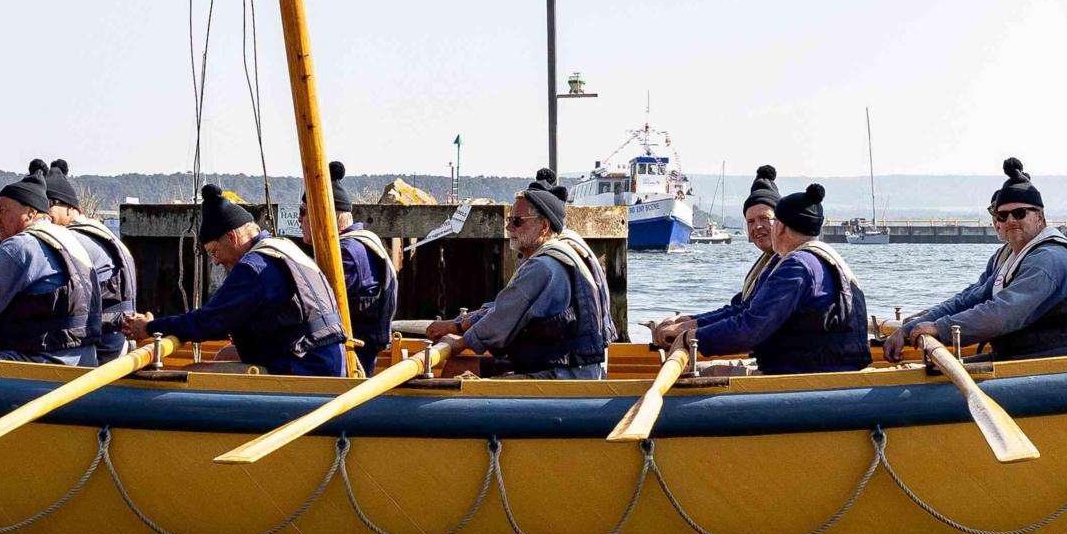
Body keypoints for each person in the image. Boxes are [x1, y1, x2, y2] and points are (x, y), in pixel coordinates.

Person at [653, 177, 870, 374]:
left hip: (806, 374)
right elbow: (745, 309)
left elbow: (749, 327)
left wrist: (689, 337)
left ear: (781, 227)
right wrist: (690, 324)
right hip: (817, 366)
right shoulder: (813, 258)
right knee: (699, 371)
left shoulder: (797, 266)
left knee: (693, 377)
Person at [122, 188, 348, 377]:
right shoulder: (283, 249)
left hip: (306, 369)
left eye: (214, 251)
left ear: (232, 237)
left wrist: (150, 328)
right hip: (327, 360)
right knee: (225, 355)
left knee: (192, 374)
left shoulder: (255, 268)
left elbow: (209, 321)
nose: (216, 261)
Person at [895, 160, 1067, 363]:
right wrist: (912, 327)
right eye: (1003, 216)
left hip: (1062, 362)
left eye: (1019, 213)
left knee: (935, 386)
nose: (1011, 220)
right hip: (1024, 356)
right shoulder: (1016, 258)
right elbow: (971, 298)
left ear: (1040, 216)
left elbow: (1004, 313)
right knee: (930, 376)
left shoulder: (1049, 259)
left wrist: (940, 328)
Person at [429, 174, 611, 378]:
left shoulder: (542, 267)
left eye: (517, 221)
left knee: (457, 368)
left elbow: (500, 322)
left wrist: (459, 342)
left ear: (544, 226)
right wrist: (460, 323)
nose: (508, 228)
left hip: (564, 375)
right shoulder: (572, 251)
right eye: (509, 220)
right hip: (586, 369)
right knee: (465, 366)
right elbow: (506, 307)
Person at [0, 169, 103, 364]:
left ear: (31, 213)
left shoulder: (21, 247)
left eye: (3, 210)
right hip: (86, 361)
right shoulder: (69, 240)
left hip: (43, 361)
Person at [34, 159, 138, 337]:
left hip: (98, 344)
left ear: (69, 207)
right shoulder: (99, 231)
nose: (41, 211)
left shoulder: (73, 240)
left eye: (49, 204)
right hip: (115, 338)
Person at [323, 161, 399, 347]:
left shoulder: (345, 251)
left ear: (326, 216)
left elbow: (321, 303)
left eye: (303, 212)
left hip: (354, 351)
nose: (299, 219)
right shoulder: (364, 240)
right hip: (367, 344)